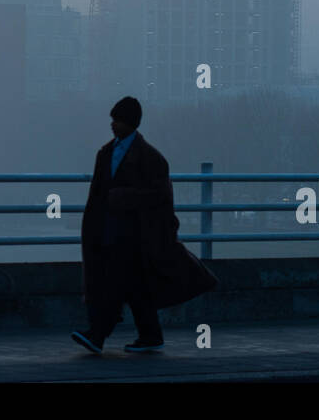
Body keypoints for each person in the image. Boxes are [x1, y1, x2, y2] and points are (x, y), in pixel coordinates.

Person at [73, 96, 219, 355]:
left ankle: (98, 335)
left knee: (114, 282)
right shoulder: (107, 153)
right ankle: (150, 335)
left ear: (130, 123)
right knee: (135, 286)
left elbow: (160, 196)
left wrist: (123, 198)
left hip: (136, 235)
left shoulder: (151, 158)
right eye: (113, 119)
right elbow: (98, 195)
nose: (113, 125)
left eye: (117, 120)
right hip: (113, 231)